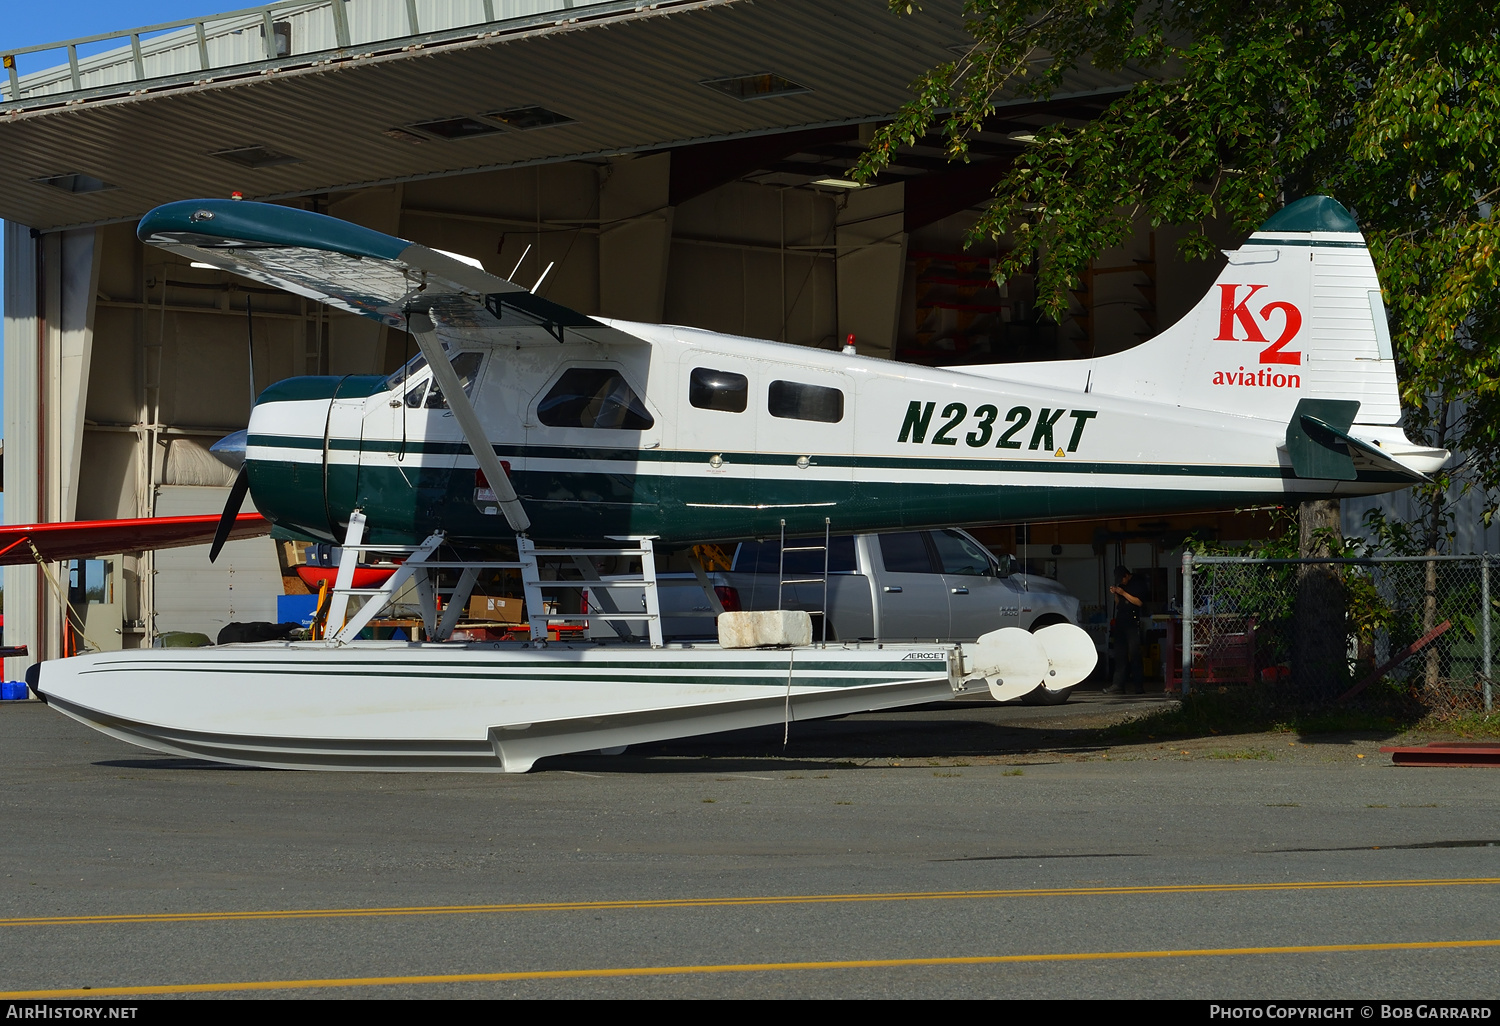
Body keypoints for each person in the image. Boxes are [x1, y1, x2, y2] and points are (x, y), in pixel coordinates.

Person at [1104, 565, 1149, 695]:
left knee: (1134, 654)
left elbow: (1139, 602)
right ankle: (1118, 684)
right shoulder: (1121, 585)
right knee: (1120, 654)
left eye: (1122, 579)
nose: (1122, 582)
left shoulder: (1137, 583)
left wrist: (1123, 593)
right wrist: (1116, 594)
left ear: (1127, 575)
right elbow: (1119, 604)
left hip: (1132, 621)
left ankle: (1138, 686)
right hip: (1121, 619)